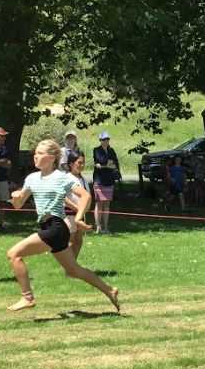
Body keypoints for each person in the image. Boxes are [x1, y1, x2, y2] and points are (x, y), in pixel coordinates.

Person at [7, 139, 120, 313]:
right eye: (35, 153)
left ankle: (27, 297)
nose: (35, 156)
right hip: (48, 227)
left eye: (40, 153)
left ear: (52, 158)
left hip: (56, 227)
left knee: (14, 254)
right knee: (73, 270)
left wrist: (79, 217)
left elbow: (86, 196)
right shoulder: (31, 178)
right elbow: (18, 205)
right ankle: (110, 290)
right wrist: (16, 197)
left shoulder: (62, 177)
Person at [62, 150, 92, 259]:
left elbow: (87, 196)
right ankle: (68, 265)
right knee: (70, 240)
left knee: (78, 240)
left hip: (80, 215)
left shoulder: (83, 179)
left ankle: (73, 264)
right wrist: (76, 208)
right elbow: (62, 197)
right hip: (68, 214)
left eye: (83, 163)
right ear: (71, 164)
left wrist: (84, 210)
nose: (82, 165)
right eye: (79, 162)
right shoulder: (67, 178)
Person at [92, 131, 120, 234]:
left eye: (107, 139)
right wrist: (107, 164)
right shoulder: (96, 150)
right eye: (103, 139)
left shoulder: (111, 150)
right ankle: (98, 227)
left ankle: (106, 227)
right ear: (100, 140)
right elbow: (100, 161)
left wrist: (105, 165)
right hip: (99, 180)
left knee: (107, 204)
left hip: (109, 180)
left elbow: (115, 163)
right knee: (99, 204)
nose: (106, 141)